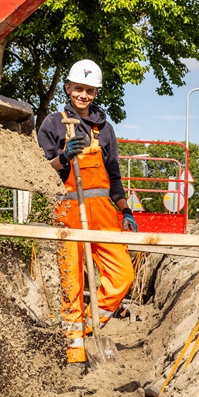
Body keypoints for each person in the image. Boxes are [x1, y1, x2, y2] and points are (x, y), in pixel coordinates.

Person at [37, 59, 137, 365]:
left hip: (103, 213)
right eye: (78, 88)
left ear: (95, 93)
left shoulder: (105, 129)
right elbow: (39, 171)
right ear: (68, 88)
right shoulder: (53, 124)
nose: (83, 95)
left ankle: (89, 326)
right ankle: (75, 352)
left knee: (122, 275)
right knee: (72, 285)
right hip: (68, 209)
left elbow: (115, 175)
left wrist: (125, 209)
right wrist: (64, 158)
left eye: (89, 90)